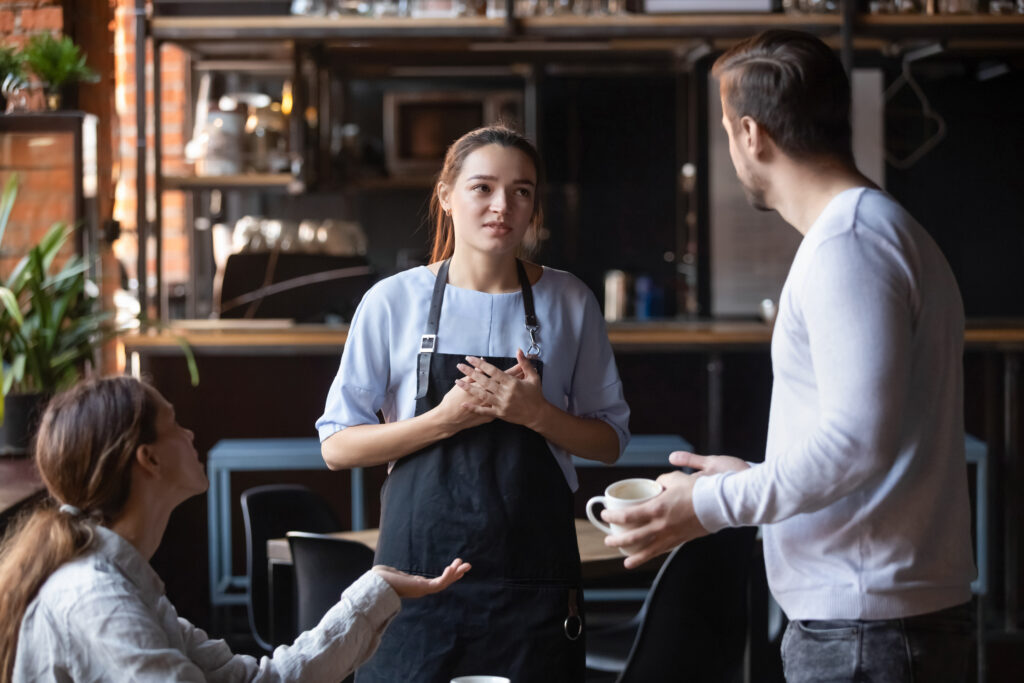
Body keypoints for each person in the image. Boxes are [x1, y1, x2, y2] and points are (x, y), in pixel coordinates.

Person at [602, 30, 976, 682]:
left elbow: (857, 445)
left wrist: (709, 502)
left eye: (725, 129)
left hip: (867, 630)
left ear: (751, 134)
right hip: (878, 621)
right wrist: (752, 473)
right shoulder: (877, 229)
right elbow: (865, 438)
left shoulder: (849, 244)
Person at [316, 125, 630, 682]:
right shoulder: (392, 302)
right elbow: (338, 447)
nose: (502, 206)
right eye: (482, 188)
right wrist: (441, 421)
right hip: (414, 583)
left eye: (522, 191)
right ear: (447, 196)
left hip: (534, 584)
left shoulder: (569, 300)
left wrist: (536, 414)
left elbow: (609, 442)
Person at [0, 376, 470, 683]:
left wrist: (376, 588)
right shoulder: (96, 601)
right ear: (149, 459)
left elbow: (259, 680)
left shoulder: (123, 585)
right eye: (174, 425)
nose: (190, 435)